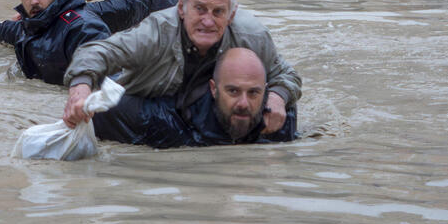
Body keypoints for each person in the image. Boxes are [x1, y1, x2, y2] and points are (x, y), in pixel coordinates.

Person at [62, 0, 301, 139]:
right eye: (200, 9)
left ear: (232, 15)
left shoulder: (253, 37)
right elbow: (97, 52)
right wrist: (80, 89)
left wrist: (278, 97)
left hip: (206, 106)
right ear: (181, 8)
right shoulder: (156, 32)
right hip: (153, 101)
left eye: (218, 12)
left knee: (285, 115)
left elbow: (286, 75)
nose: (208, 21)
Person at [92, 48, 298, 148]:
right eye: (233, 91)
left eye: (253, 93)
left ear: (265, 90)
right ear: (214, 89)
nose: (244, 103)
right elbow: (102, 106)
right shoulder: (164, 119)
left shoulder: (278, 120)